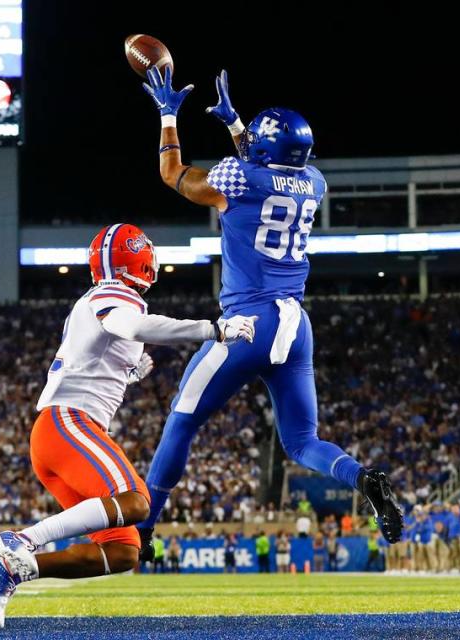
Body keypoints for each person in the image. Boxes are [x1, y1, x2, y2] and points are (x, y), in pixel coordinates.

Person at [134, 64, 404, 560]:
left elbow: (172, 174)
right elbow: (264, 168)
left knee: (182, 420)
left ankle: (144, 529)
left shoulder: (239, 177)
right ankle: (364, 477)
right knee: (302, 441)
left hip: (245, 323)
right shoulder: (314, 181)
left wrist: (168, 116)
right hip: (296, 325)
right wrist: (237, 127)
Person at [0, 224, 257, 629]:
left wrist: (125, 374)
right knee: (136, 501)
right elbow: (128, 326)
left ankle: (19, 569)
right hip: (68, 423)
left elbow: (90, 361)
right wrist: (211, 329)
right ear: (140, 260)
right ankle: (20, 541)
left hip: (58, 433)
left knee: (123, 551)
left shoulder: (97, 299)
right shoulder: (116, 294)